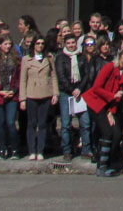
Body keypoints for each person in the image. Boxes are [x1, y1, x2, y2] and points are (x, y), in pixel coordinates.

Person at [84, 47, 123, 177]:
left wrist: (111, 112)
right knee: (107, 132)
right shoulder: (109, 67)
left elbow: (119, 96)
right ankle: (101, 166)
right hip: (96, 103)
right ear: (120, 55)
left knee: (117, 134)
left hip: (109, 106)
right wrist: (112, 96)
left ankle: (105, 160)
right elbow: (97, 88)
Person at [19, 37, 59, 162]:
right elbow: (23, 80)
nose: (40, 45)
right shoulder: (26, 59)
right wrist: (22, 99)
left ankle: (40, 151)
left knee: (42, 124)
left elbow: (53, 76)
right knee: (31, 123)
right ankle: (32, 150)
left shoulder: (49, 58)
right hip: (31, 94)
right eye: (38, 43)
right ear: (33, 45)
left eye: (42, 43)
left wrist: (55, 94)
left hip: (46, 94)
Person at [56, 34, 88, 162]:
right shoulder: (60, 58)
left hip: (80, 92)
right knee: (66, 124)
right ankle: (67, 151)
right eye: (68, 43)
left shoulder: (82, 57)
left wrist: (79, 88)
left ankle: (86, 149)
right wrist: (71, 89)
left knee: (85, 123)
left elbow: (86, 74)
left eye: (73, 43)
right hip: (66, 93)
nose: (71, 45)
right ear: (65, 44)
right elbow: (61, 76)